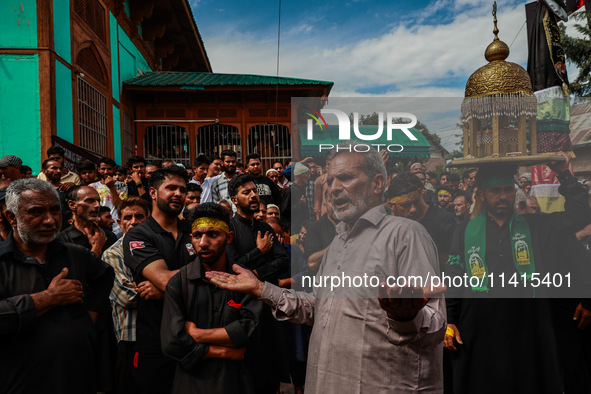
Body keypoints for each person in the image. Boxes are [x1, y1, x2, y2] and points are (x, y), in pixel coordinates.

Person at [208, 145, 446, 393]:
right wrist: (261, 289)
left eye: (345, 177)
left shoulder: (405, 234)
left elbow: (435, 325)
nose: (333, 188)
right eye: (330, 181)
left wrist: (406, 317)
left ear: (377, 183)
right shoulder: (338, 242)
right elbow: (318, 307)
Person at [444, 154, 591, 393]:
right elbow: (454, 275)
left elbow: (579, 215)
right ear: (482, 194)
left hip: (528, 328)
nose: (502, 196)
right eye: (495, 191)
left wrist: (563, 173)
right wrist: (450, 320)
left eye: (507, 190)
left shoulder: (535, 227)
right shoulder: (464, 231)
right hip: (480, 329)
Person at [0, 178, 113, 393]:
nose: (50, 221)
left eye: (55, 210)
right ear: (11, 218)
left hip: (77, 379)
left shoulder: (76, 255)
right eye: (36, 212)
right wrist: (47, 298)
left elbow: (105, 276)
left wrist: (89, 318)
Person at [161, 203, 263, 393]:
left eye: (213, 234)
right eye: (198, 236)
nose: (203, 243)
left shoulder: (245, 279)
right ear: (191, 238)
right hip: (191, 384)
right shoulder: (179, 283)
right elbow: (172, 342)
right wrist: (224, 351)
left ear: (229, 237)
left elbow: (250, 331)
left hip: (236, 382)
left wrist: (198, 335)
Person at [123, 165, 193, 393]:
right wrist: (203, 273)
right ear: (153, 193)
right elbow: (163, 279)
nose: (178, 194)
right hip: (156, 344)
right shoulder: (139, 234)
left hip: (197, 339)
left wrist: (164, 289)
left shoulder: (194, 230)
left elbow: (225, 275)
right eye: (171, 188)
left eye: (182, 189)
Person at [226, 173, 289, 393]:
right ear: (234, 199)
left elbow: (282, 261)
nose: (254, 195)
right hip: (241, 309)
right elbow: (231, 267)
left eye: (255, 191)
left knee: (271, 372)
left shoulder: (266, 228)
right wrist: (260, 251)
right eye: (246, 192)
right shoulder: (229, 229)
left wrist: (255, 271)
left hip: (269, 306)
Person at [102, 196, 151, 394]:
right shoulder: (113, 254)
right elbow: (127, 297)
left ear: (148, 219)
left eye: (139, 216)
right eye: (128, 217)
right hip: (130, 337)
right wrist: (163, 289)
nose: (134, 221)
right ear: (120, 223)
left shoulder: (158, 248)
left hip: (160, 335)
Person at [387, 172, 456, 268]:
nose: (413, 209)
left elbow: (452, 265)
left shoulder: (445, 221)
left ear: (421, 194)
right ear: (391, 206)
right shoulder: (390, 227)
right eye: (405, 205)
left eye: (416, 202)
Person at [58, 186, 117, 254]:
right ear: (72, 205)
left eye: (98, 201)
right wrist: (96, 250)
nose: (98, 205)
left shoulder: (108, 236)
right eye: (90, 201)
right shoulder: (62, 240)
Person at [90, 157, 128, 236]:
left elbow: (120, 206)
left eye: (109, 169)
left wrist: (111, 187)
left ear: (114, 170)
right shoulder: (92, 187)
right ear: (99, 169)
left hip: (117, 227)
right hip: (98, 226)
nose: (106, 172)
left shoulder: (122, 186)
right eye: (103, 169)